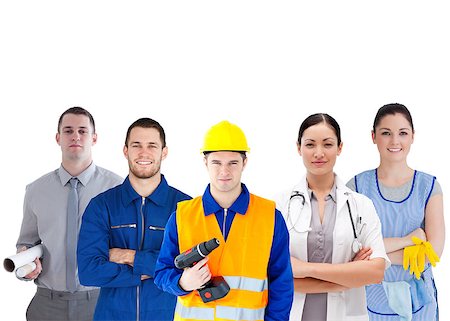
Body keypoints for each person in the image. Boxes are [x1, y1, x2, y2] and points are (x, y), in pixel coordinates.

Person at [154, 120, 293, 321]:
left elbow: (282, 284)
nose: (224, 172)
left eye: (233, 163)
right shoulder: (182, 216)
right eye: (217, 163)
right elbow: (161, 273)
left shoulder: (270, 216)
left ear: (245, 162)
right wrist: (182, 283)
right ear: (205, 162)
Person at [276, 113, 390, 321]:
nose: (318, 153)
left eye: (327, 144)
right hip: (293, 313)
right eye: (310, 144)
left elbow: (376, 271)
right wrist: (349, 275)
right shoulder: (280, 206)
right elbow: (273, 276)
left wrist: (305, 269)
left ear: (340, 148)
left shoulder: (360, 205)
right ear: (298, 148)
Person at [77, 117, 191, 321]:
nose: (143, 153)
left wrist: (129, 257)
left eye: (152, 146)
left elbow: (188, 267)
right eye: (136, 145)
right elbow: (89, 272)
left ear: (164, 152)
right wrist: (158, 270)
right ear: (125, 151)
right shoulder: (102, 205)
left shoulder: (185, 208)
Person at [15, 107, 123, 321]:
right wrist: (25, 262)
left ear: (94, 138)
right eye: (68, 131)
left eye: (83, 131)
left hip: (101, 301)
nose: (75, 136)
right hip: (47, 305)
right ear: (58, 138)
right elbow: (26, 241)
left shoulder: (118, 189)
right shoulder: (36, 190)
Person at [347, 103, 444, 321]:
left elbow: (432, 253)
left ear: (412, 136)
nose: (394, 141)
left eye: (402, 133)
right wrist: (408, 240)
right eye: (385, 133)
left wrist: (374, 258)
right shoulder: (356, 187)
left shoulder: (428, 187)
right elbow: (351, 251)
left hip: (419, 305)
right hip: (369, 302)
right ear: (373, 136)